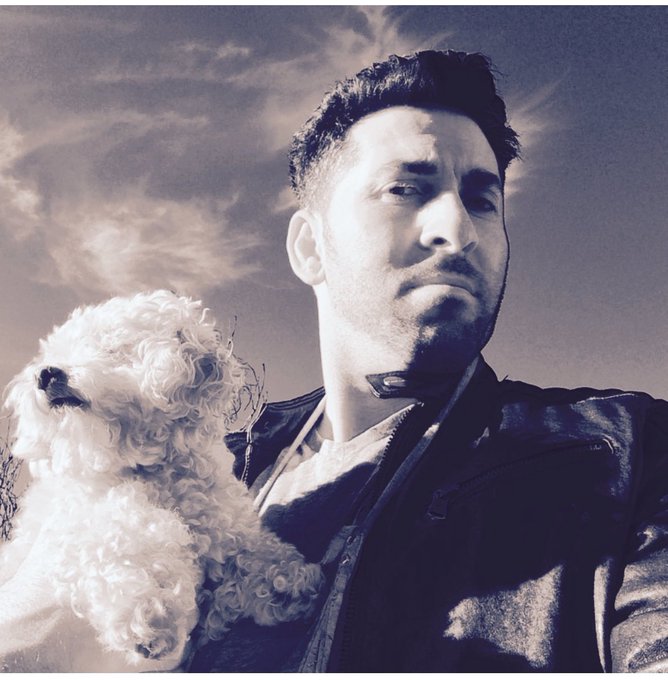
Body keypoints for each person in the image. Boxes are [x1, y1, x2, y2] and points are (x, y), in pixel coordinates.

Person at [187, 50, 668, 672]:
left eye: (482, 200)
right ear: (310, 247)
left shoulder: (626, 452)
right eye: (405, 189)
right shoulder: (213, 476)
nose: (457, 229)